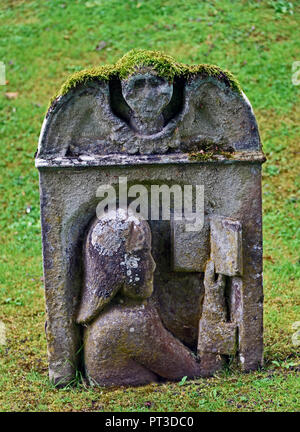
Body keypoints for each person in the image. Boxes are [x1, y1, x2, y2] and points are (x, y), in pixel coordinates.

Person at [76, 208, 201, 386]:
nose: (152, 264)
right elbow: (196, 370)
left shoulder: (111, 317)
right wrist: (214, 304)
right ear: (116, 266)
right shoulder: (131, 322)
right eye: (141, 255)